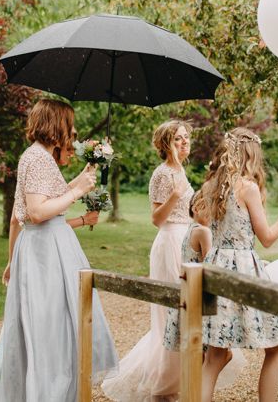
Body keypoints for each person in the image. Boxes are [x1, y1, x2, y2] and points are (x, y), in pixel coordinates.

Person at [0, 98, 118, 402]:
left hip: (47, 250)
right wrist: (77, 191)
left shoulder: (41, 158)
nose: (74, 132)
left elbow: (32, 210)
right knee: (49, 329)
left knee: (58, 324)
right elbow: (37, 212)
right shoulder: (36, 159)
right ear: (56, 127)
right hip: (44, 257)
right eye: (70, 126)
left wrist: (88, 172)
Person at [201, 127, 278, 402]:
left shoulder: (212, 185)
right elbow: (268, 238)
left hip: (214, 266)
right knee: (276, 346)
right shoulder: (246, 188)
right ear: (251, 154)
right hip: (242, 269)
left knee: (214, 354)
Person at [102, 119, 194, 402]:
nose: (184, 142)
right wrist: (175, 196)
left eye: (186, 138)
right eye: (178, 138)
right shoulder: (162, 174)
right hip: (169, 244)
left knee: (187, 312)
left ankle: (177, 381)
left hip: (187, 241)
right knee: (170, 315)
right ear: (166, 143)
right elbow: (156, 219)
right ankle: (162, 387)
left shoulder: (181, 171)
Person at [162, 189, 212, 351]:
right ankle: (201, 377)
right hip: (199, 291)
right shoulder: (203, 231)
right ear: (196, 208)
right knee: (210, 352)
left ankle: (197, 376)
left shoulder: (191, 229)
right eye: (209, 208)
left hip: (186, 288)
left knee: (199, 351)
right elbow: (210, 264)